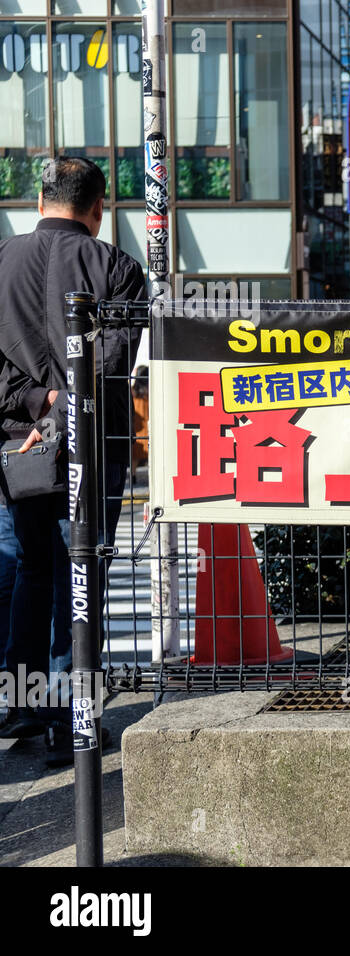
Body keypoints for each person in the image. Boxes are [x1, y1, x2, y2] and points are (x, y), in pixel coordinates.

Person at [0, 157, 144, 766]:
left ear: (39, 199)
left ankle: (23, 703)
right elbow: (107, 366)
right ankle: (72, 720)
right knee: (79, 576)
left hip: (16, 450)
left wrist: (36, 407)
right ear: (98, 209)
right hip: (92, 446)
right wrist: (63, 414)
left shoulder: (2, 261)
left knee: (32, 569)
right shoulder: (118, 268)